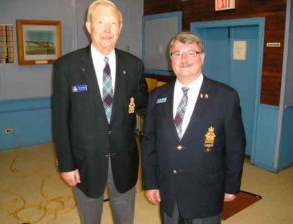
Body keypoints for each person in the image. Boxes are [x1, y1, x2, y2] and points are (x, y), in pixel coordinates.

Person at [52, 0, 148, 223]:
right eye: (101, 22)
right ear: (88, 26)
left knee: (125, 218)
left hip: (124, 160)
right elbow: (60, 120)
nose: (107, 30)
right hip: (85, 162)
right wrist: (66, 164)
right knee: (90, 218)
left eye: (113, 23)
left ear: (120, 28)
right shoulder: (67, 66)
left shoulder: (134, 65)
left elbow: (145, 106)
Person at [141, 31, 246, 224]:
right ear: (170, 59)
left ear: (202, 57)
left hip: (206, 193)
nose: (184, 59)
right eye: (177, 53)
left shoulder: (226, 96)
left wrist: (231, 185)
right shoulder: (156, 96)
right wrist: (150, 183)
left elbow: (235, 146)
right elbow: (149, 143)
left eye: (191, 52)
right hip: (169, 191)